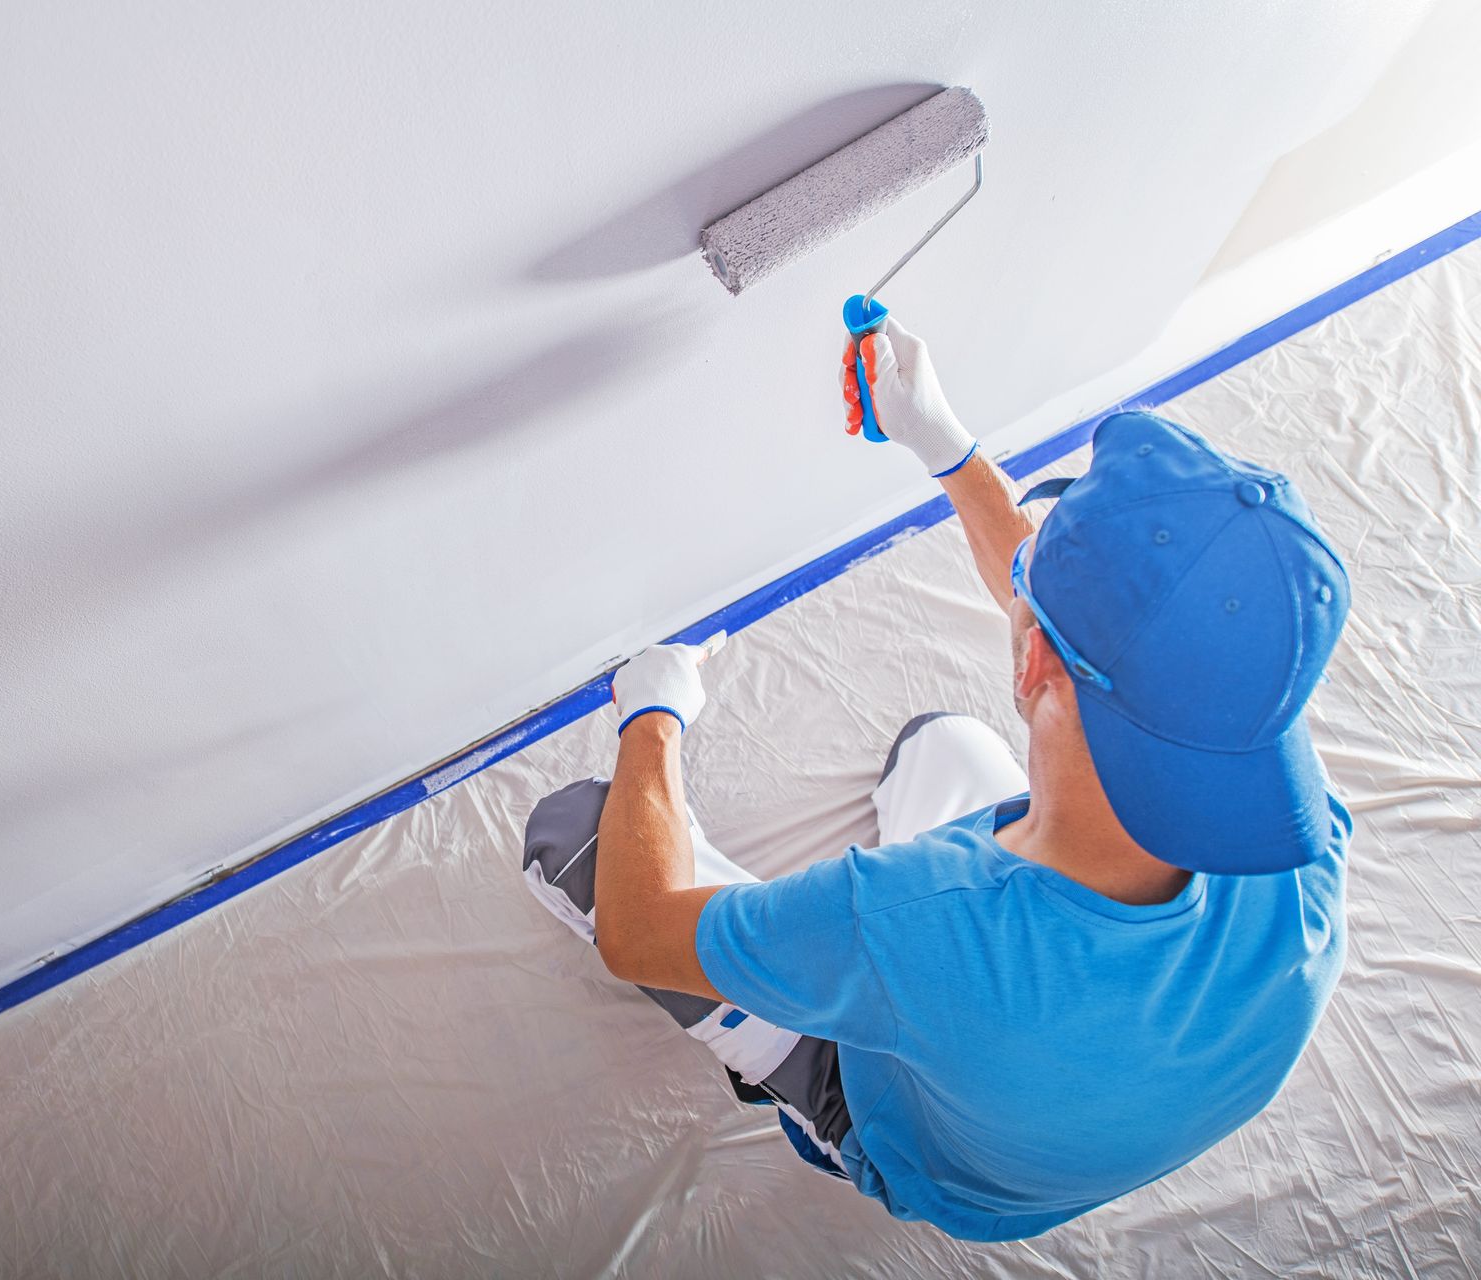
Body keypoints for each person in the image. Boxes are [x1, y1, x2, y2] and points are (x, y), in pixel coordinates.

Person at [521, 318, 1353, 1241]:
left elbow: (637, 937)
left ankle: (804, 1092)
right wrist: (944, 444)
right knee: (938, 748)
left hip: (932, 1158)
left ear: (1030, 659)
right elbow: (1083, 629)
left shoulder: (914, 919)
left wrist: (654, 712)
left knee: (576, 834)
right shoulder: (1279, 806)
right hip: (1066, 1115)